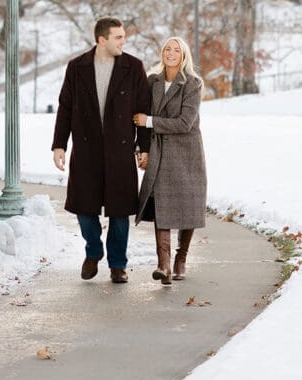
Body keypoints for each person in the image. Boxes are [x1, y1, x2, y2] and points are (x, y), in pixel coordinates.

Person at [52, 16, 151, 284]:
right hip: (86, 150)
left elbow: (143, 109)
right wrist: (59, 144)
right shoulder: (77, 67)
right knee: (85, 209)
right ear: (102, 39)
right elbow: (66, 108)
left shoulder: (133, 67)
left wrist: (144, 146)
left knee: (120, 212)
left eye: (124, 37)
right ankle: (93, 251)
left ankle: (118, 264)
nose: (123, 41)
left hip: (120, 152)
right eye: (118, 37)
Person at [133, 36, 207, 285]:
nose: (171, 53)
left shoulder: (193, 84)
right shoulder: (152, 80)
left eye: (176, 50)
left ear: (184, 55)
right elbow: (140, 118)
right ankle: (163, 264)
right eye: (167, 49)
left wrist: (151, 121)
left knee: (188, 204)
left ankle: (180, 258)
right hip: (159, 151)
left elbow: (185, 123)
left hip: (186, 153)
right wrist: (141, 149)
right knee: (161, 203)